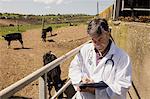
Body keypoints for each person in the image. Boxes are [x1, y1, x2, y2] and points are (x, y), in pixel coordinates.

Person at [68, 18, 132, 99]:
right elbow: (74, 68)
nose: (97, 44)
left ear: (108, 33)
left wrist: (95, 91)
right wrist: (81, 79)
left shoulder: (122, 57)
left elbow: (122, 87)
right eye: (94, 40)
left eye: (100, 39)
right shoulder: (85, 50)